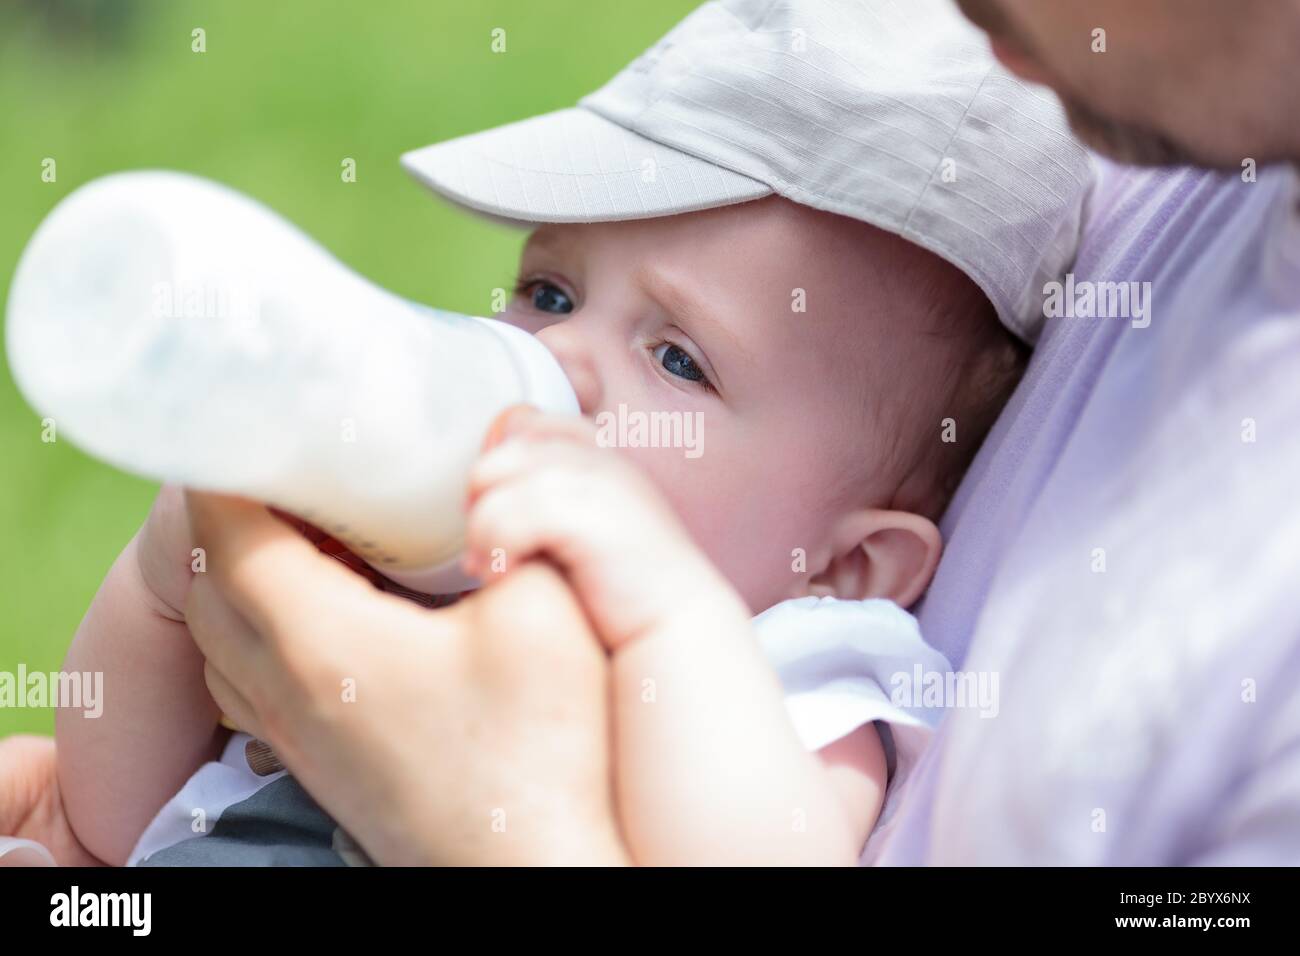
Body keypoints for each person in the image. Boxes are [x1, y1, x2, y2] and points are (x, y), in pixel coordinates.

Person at [6, 0, 1299, 866]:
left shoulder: (800, 673)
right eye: (549, 291)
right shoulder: (408, 575)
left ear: (854, 564)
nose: (561, 358)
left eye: (678, 358)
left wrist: (660, 612)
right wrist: (174, 583)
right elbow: (116, 822)